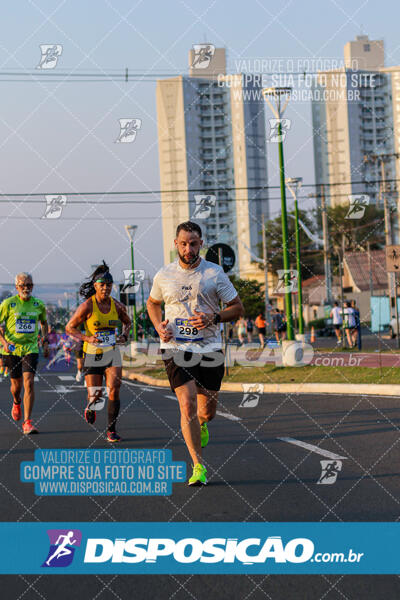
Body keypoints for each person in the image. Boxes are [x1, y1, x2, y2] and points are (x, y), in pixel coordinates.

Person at [147, 221, 244, 486]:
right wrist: (158, 327)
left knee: (207, 411)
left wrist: (214, 317)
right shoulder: (163, 275)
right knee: (186, 403)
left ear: (201, 243)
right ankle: (198, 466)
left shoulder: (214, 273)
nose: (188, 248)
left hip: (210, 349)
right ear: (175, 244)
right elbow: (153, 303)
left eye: (193, 243)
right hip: (176, 348)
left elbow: (237, 308)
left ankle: (202, 424)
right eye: (183, 243)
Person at [66, 262, 131, 442]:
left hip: (111, 352)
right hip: (93, 355)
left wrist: (124, 336)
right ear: (95, 286)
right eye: (102, 285)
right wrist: (88, 338)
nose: (105, 288)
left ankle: (111, 430)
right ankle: (91, 407)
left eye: (108, 285)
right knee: (96, 397)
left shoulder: (117, 306)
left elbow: (128, 323)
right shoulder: (87, 306)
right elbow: (69, 328)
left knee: (115, 389)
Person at [0, 272, 49, 433]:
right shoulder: (8, 304)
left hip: (31, 348)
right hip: (12, 349)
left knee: (29, 383)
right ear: (16, 287)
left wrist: (45, 341)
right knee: (16, 386)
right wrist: (5, 343)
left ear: (33, 286)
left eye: (29, 285)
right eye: (22, 285)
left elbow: (44, 323)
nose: (26, 288)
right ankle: (16, 401)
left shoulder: (38, 305)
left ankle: (27, 422)